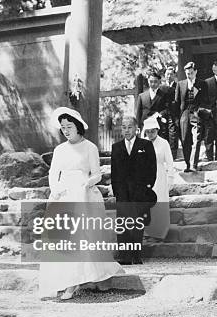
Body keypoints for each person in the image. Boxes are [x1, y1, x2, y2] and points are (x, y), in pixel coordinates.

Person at [39, 107, 124, 300]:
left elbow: (97, 174)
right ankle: (67, 281)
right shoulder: (60, 150)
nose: (66, 131)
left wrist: (87, 183)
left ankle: (89, 277)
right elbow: (53, 174)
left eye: (69, 126)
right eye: (63, 128)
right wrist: (57, 190)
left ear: (78, 126)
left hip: (84, 193)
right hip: (64, 193)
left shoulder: (90, 147)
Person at [110, 116, 157, 265]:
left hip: (140, 192)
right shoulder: (116, 147)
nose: (126, 130)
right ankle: (124, 256)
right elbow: (114, 172)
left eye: (129, 127)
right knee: (123, 224)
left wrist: (146, 187)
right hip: (123, 193)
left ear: (136, 128)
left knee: (138, 224)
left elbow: (152, 169)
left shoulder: (146, 145)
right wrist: (117, 191)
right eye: (123, 127)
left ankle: (136, 256)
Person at [143, 115, 175, 240]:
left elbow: (170, 162)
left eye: (153, 131)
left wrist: (170, 178)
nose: (150, 134)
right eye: (148, 131)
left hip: (159, 176)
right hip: (145, 177)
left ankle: (160, 232)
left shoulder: (163, 143)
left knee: (159, 202)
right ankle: (148, 231)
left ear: (157, 130)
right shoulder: (142, 143)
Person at [175, 61, 210, 172]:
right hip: (184, 114)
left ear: (195, 72)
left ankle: (193, 165)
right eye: (187, 74)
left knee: (197, 139)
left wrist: (200, 110)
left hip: (196, 114)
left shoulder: (202, 84)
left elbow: (206, 101)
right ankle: (187, 164)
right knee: (185, 140)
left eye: (191, 73)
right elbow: (176, 103)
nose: (189, 76)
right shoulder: (180, 84)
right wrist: (177, 119)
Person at [135, 70, 169, 136]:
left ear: (159, 82)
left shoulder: (164, 95)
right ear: (148, 81)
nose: (153, 84)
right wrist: (138, 127)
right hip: (145, 127)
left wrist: (159, 114)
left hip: (158, 127)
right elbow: (138, 114)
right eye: (151, 81)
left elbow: (166, 109)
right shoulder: (142, 96)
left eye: (155, 82)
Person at [163, 66, 179, 159]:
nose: (169, 76)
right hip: (163, 114)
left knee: (173, 135)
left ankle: (173, 156)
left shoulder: (178, 86)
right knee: (163, 134)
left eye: (171, 74)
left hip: (174, 114)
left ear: (174, 76)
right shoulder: (161, 87)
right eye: (167, 74)